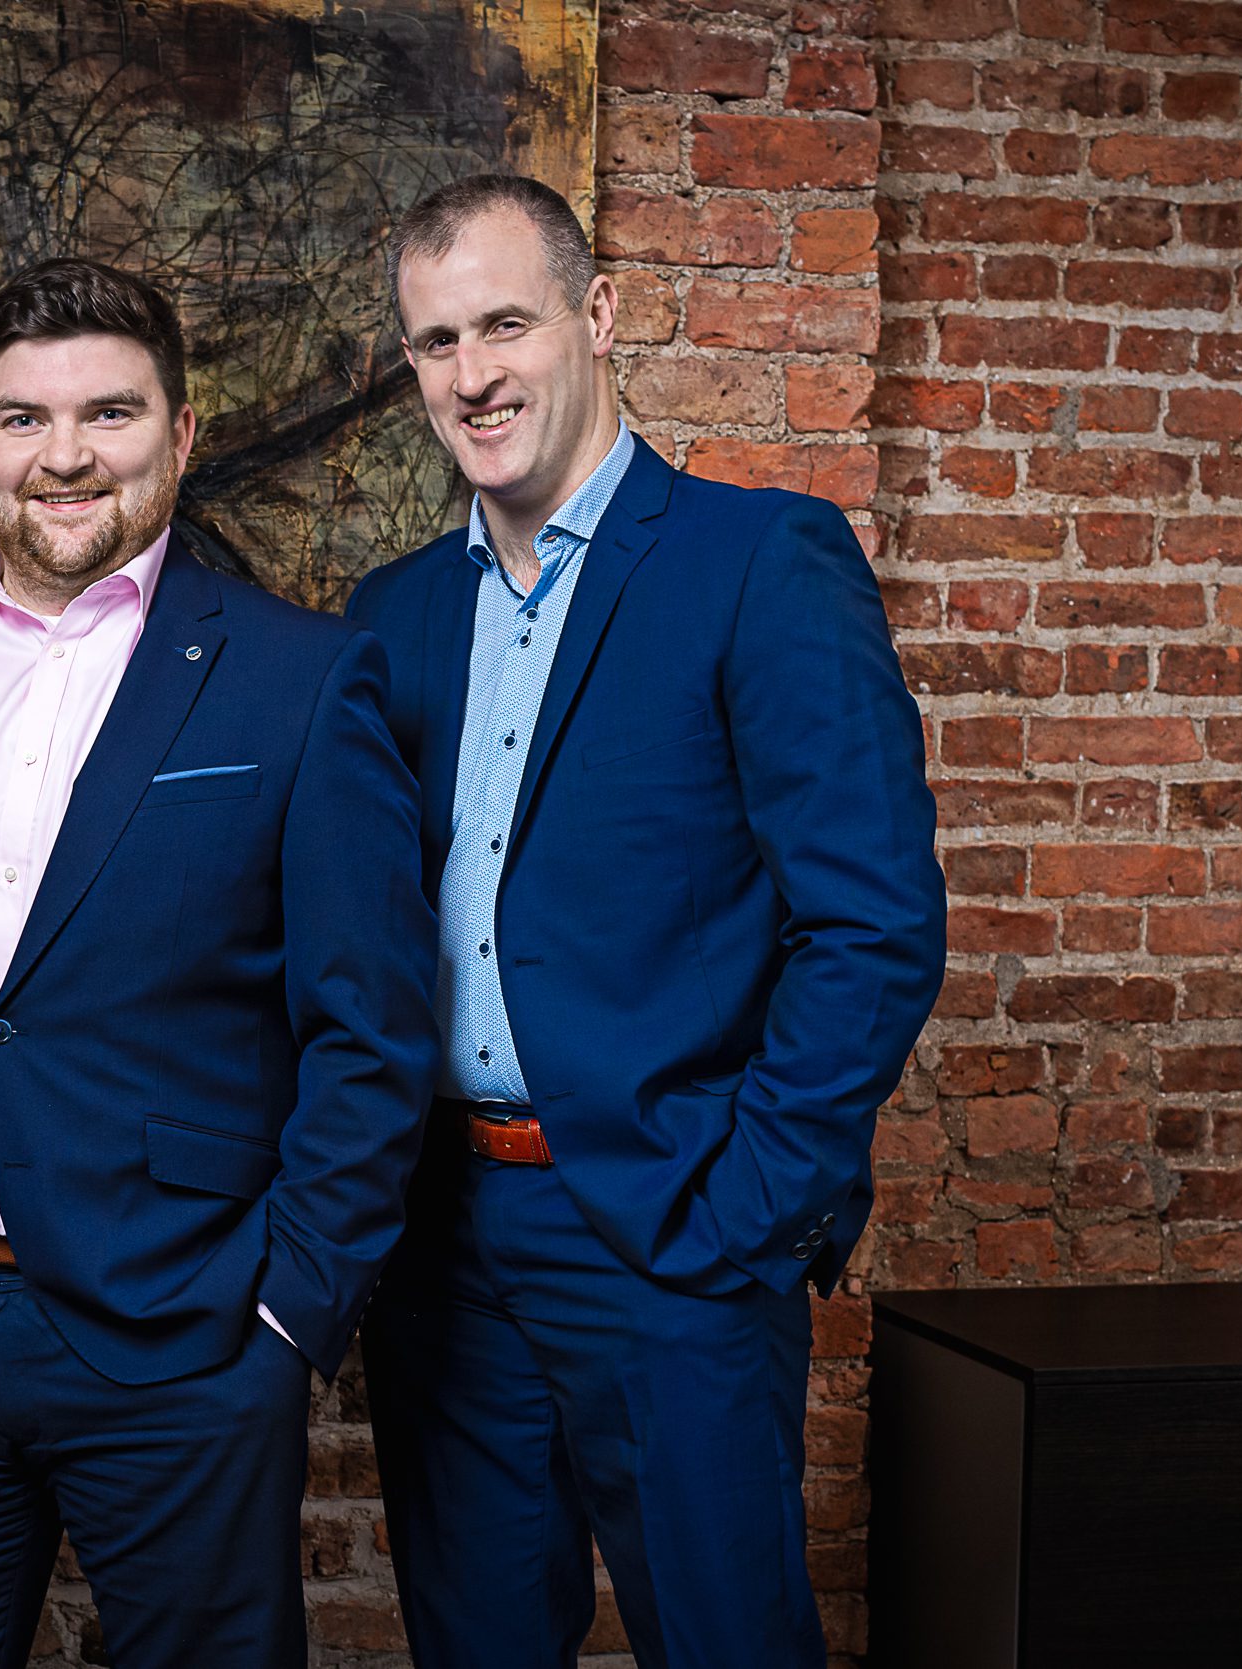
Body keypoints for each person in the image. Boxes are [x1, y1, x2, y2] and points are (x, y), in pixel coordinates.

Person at [0, 257, 437, 1669]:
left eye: (110, 414)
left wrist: (288, 1315)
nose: (65, 457)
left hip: (188, 1335)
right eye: (23, 418)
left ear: (180, 435)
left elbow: (371, 1030)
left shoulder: (301, 678)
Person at [346, 175, 947, 1668]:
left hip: (673, 1229)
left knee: (727, 1641)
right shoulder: (389, 615)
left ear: (597, 316)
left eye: (504, 323)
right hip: (441, 1246)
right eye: (435, 343)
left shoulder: (761, 563)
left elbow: (874, 924)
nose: (472, 374)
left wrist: (746, 1211)